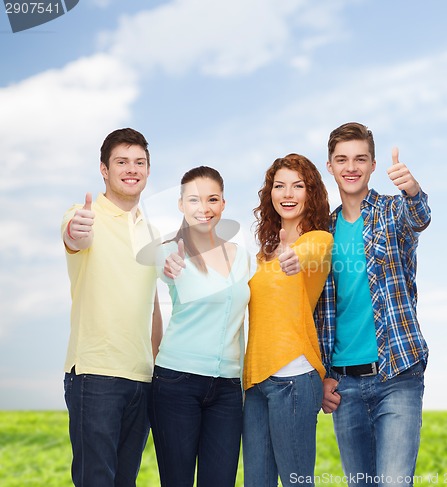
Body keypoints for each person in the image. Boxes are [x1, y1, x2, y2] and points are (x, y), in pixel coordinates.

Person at [315, 122, 431, 487]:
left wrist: (412, 190)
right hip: (344, 383)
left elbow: (419, 217)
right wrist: (324, 376)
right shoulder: (323, 233)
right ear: (330, 166)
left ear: (373, 165)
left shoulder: (392, 212)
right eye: (342, 159)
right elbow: (320, 313)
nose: (351, 167)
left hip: (397, 375)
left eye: (360, 159)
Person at [61, 128, 163, 487]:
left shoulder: (151, 232)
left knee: (125, 482)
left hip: (141, 378)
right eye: (122, 161)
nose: (131, 169)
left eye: (139, 162)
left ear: (148, 171)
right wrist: (78, 230)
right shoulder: (82, 214)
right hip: (96, 374)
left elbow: (152, 306)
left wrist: (157, 367)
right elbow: (75, 236)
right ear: (104, 169)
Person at [149, 166, 250, 487]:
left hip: (228, 390)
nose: (203, 208)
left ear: (223, 204)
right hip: (176, 382)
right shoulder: (168, 252)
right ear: (180, 204)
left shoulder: (245, 258)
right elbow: (141, 301)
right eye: (193, 200)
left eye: (212, 199)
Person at [243, 153, 333, 487]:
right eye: (279, 186)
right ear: (270, 195)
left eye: (298, 185)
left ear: (311, 193)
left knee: (297, 482)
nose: (288, 193)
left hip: (293, 380)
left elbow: (304, 256)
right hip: (255, 383)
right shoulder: (260, 255)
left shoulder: (319, 240)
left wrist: (291, 256)